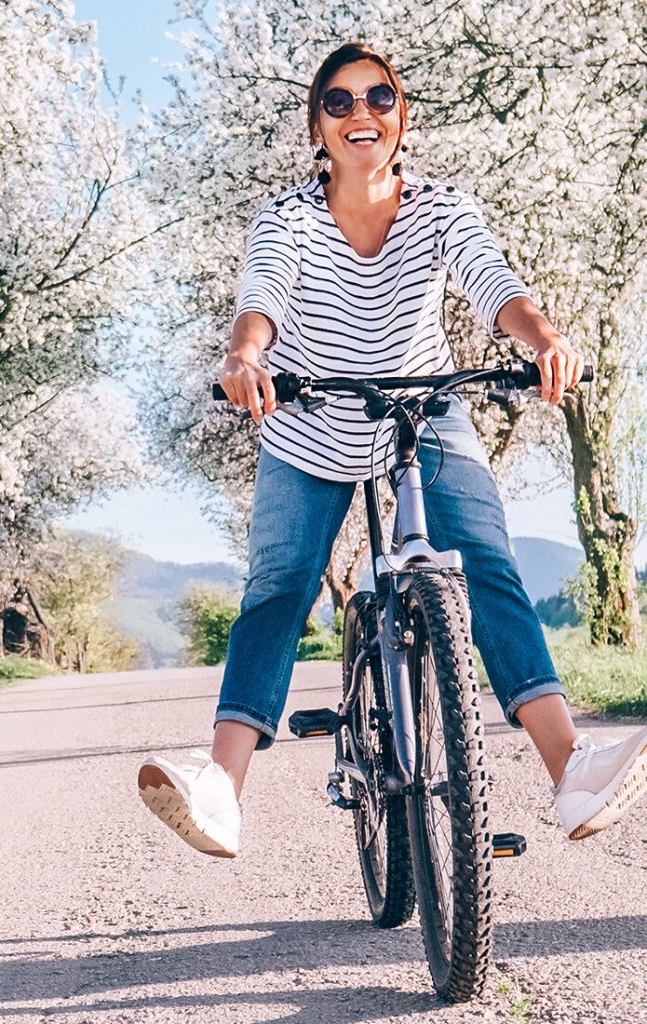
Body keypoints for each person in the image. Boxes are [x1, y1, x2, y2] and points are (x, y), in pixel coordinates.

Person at [138, 41, 647, 858]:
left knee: (486, 563)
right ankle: (221, 790)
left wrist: (545, 337)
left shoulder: (442, 209)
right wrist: (245, 357)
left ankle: (571, 772)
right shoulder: (290, 217)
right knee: (277, 589)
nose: (360, 112)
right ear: (318, 128)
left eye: (377, 98)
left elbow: (493, 285)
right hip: (310, 418)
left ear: (401, 120)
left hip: (423, 411)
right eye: (339, 102)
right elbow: (262, 295)